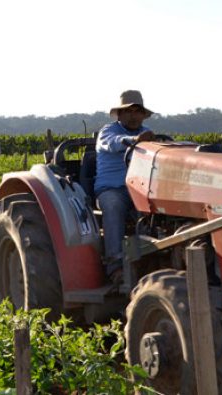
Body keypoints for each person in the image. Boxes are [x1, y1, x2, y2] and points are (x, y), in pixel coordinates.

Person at [95, 90, 155, 285]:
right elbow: (111, 144)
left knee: (157, 214)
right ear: (119, 114)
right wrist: (134, 141)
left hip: (140, 189)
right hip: (112, 189)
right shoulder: (109, 131)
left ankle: (149, 263)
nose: (133, 116)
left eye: (137, 111)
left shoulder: (147, 134)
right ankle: (115, 267)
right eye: (129, 111)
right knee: (113, 206)